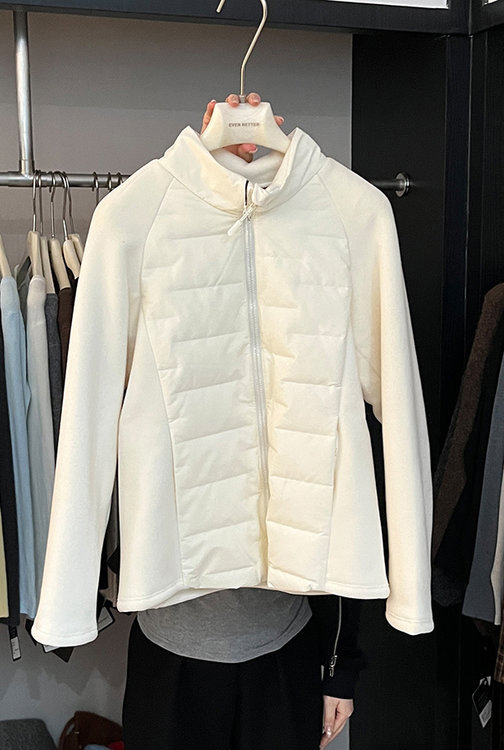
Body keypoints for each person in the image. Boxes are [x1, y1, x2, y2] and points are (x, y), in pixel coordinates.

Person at [120, 94, 366, 750]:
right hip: (170, 650)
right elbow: (93, 426)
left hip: (285, 646)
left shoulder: (339, 220)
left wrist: (342, 667)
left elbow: (351, 470)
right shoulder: (142, 222)